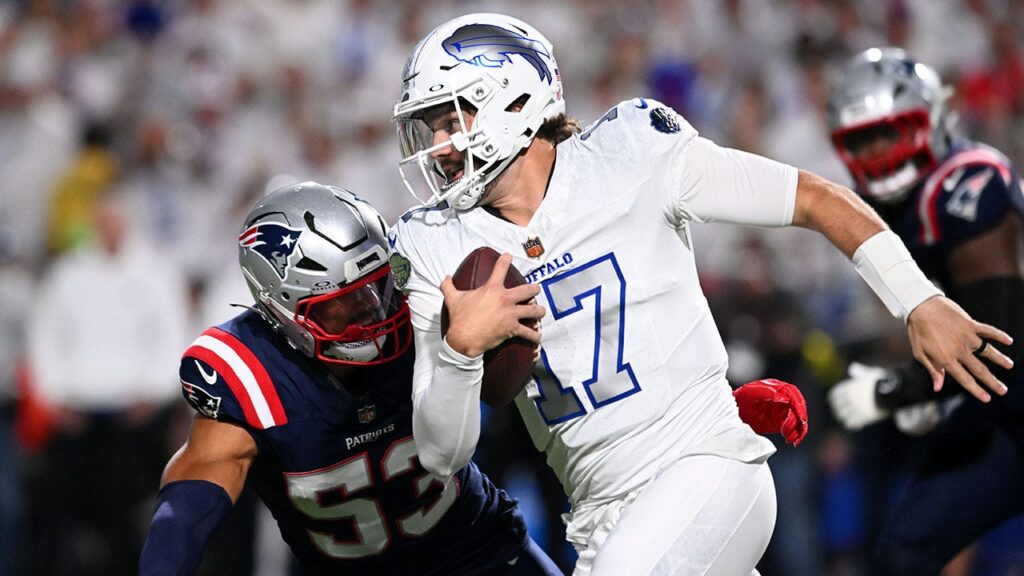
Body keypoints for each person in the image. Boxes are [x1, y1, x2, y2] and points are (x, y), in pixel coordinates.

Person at [387, 14, 1013, 576]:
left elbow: (812, 199)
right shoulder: (433, 243)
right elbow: (442, 454)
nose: (438, 146)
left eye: (451, 119)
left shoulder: (630, 149)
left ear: (514, 99)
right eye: (430, 126)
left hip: (708, 465)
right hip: (600, 516)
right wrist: (460, 351)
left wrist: (918, 301)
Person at [138, 182, 561, 576]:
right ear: (282, 309)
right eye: (343, 300)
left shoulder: (425, 309)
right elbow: (188, 509)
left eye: (377, 285)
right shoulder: (252, 372)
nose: (372, 307)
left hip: (479, 550)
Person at [825, 48, 1024, 575]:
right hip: (1005, 405)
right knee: (905, 549)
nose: (877, 152)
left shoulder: (969, 180)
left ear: (931, 119)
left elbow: (997, 335)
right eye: (862, 141)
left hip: (1006, 381)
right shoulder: (894, 207)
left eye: (888, 133)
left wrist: (899, 390)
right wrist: (935, 387)